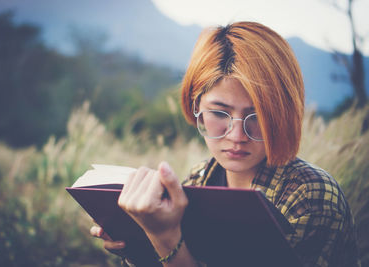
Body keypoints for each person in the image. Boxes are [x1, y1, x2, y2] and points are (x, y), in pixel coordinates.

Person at [90, 21, 360, 266]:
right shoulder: (196, 181)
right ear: (197, 107)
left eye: (258, 116)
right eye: (220, 113)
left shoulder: (309, 195)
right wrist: (139, 248)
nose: (237, 135)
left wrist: (165, 238)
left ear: (282, 114)